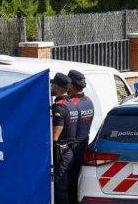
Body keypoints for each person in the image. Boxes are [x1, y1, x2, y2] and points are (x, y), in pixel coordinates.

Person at [67, 69, 95, 204]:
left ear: (71, 85)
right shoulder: (88, 101)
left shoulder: (71, 104)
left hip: (71, 150)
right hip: (83, 147)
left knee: (69, 185)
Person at [51, 72, 76, 204]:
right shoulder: (71, 103)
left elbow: (55, 136)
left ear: (56, 87)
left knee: (59, 189)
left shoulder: (59, 107)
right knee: (66, 187)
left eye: (52, 85)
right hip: (69, 152)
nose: (50, 88)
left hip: (61, 154)